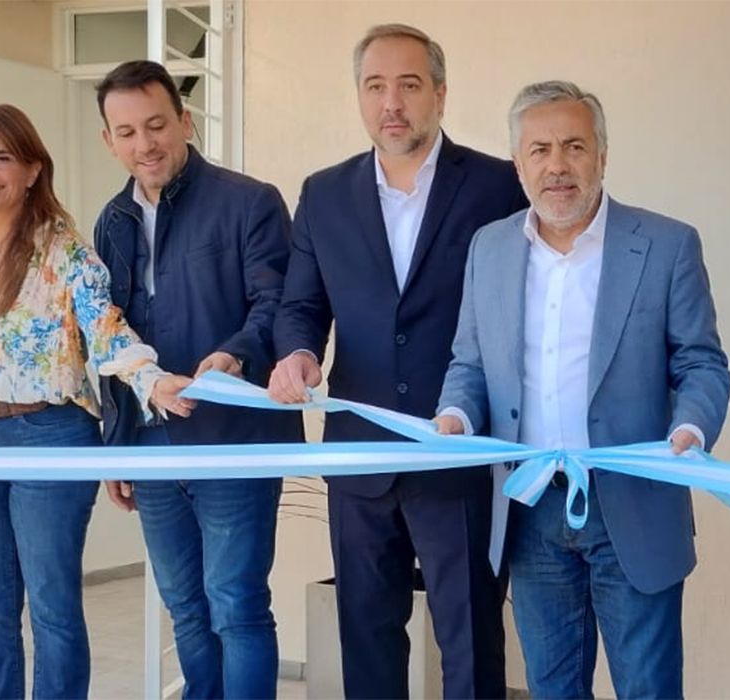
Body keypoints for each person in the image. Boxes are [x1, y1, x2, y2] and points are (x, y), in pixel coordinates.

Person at [434, 79, 730, 699]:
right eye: (539, 150)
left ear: (602, 155)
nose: (557, 166)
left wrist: (691, 429)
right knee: (553, 688)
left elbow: (702, 364)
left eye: (574, 146)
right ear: (518, 164)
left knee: (647, 688)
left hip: (635, 503)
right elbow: (469, 362)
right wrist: (456, 415)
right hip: (532, 507)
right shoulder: (488, 249)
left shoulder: (667, 245)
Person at [266, 24, 526, 699]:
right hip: (359, 458)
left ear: (439, 94)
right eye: (375, 85)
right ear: (359, 96)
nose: (392, 102)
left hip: (457, 452)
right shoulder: (324, 193)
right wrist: (297, 353)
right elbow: (301, 304)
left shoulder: (499, 188)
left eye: (409, 85)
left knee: (469, 635)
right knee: (367, 632)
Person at [0, 103, 187, 699]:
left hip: (49, 434)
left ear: (32, 169)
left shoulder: (64, 252)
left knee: (52, 606)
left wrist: (152, 380)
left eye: (1, 156)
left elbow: (107, 332)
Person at [93, 60, 303, 699]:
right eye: (126, 132)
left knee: (235, 604)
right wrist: (117, 442)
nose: (144, 144)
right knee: (185, 607)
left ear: (185, 121)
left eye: (156, 125)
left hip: (235, 438)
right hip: (154, 446)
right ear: (109, 141)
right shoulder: (111, 222)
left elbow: (277, 303)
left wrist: (234, 355)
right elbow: (109, 337)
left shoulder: (250, 201)